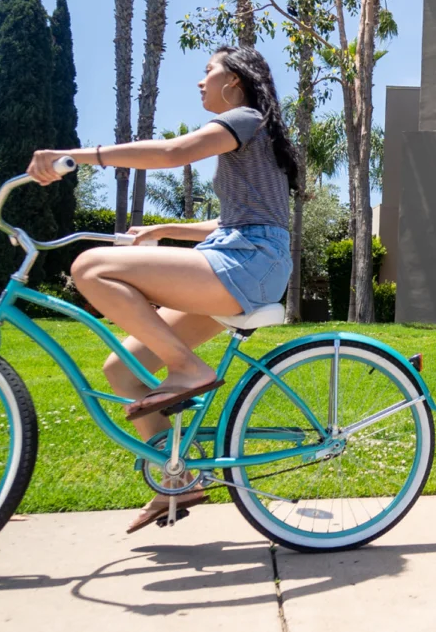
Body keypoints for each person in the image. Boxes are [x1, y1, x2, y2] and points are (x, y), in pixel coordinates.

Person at [27, 45, 298, 531]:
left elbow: (173, 154)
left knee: (91, 267)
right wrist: (165, 229)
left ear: (234, 81)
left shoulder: (246, 117)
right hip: (247, 259)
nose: (200, 81)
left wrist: (77, 157)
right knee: (123, 370)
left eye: (208, 71)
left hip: (249, 262)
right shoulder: (253, 133)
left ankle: (187, 368)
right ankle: (175, 480)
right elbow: (239, 219)